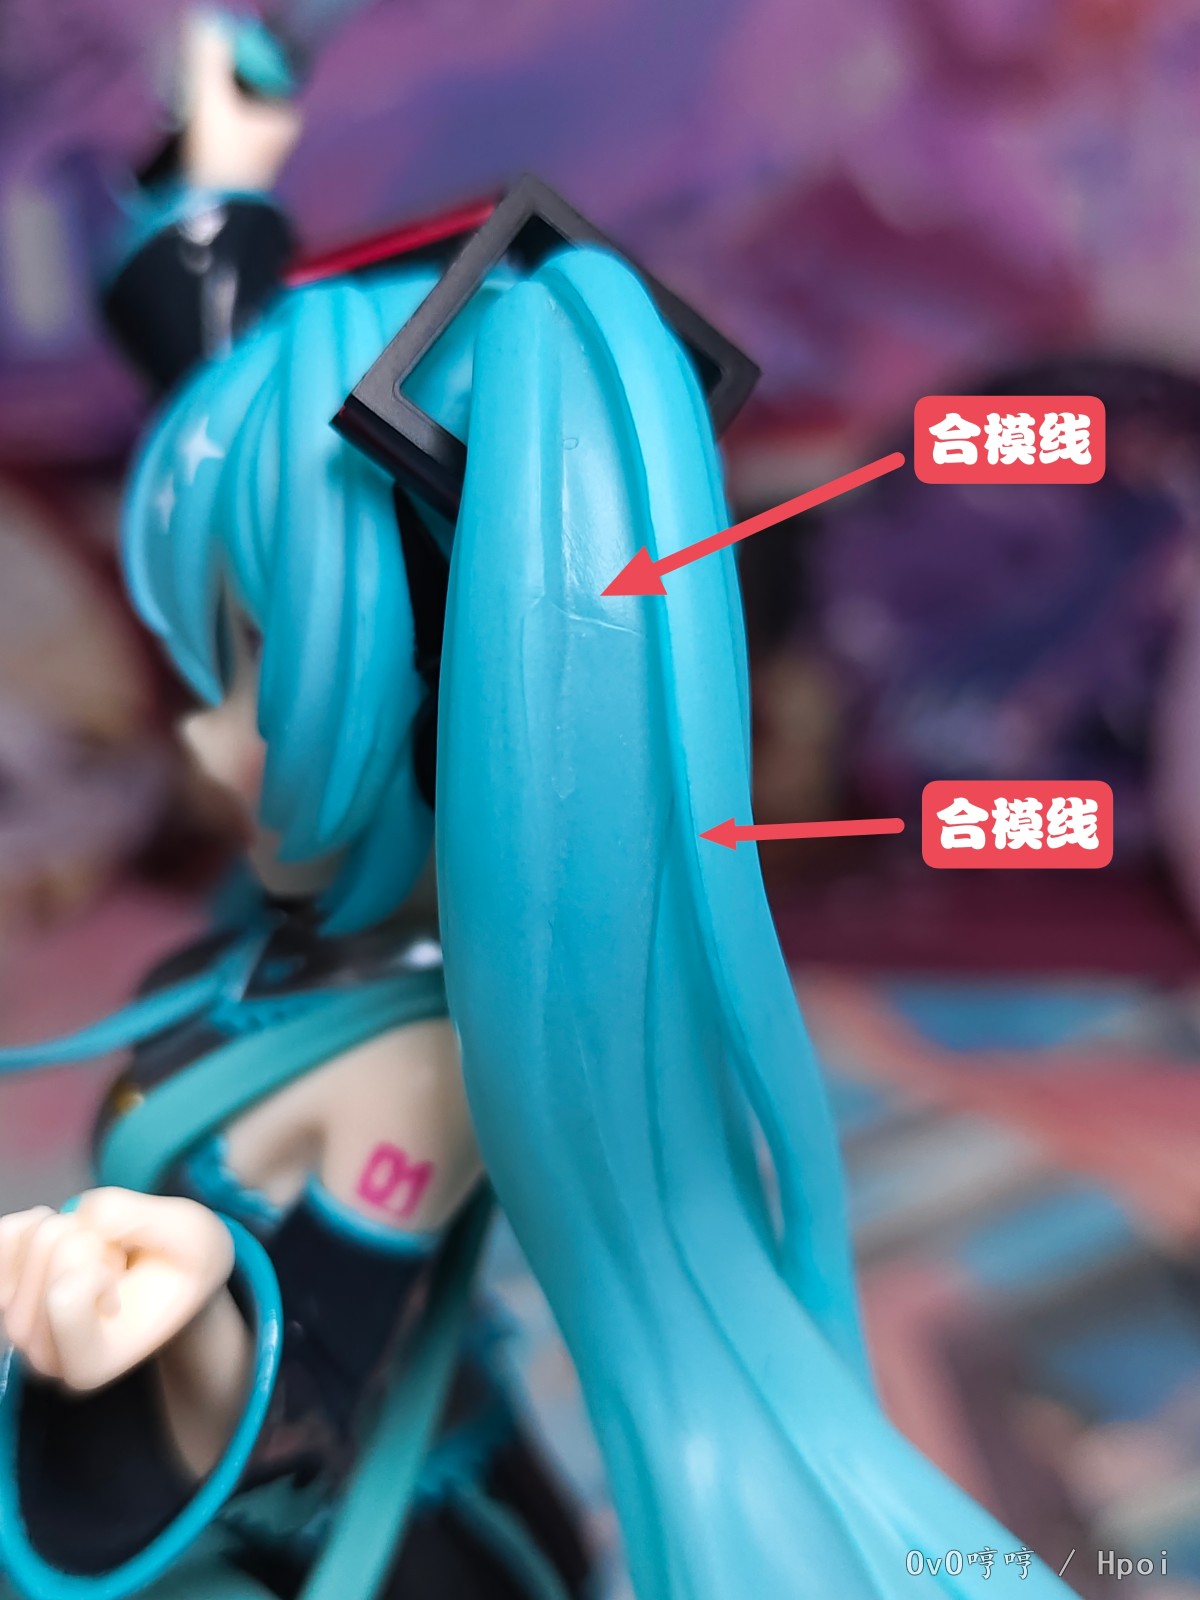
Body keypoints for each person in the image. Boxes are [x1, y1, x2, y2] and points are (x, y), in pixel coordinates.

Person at [0, 12, 1079, 1599]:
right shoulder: (331, 904)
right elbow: (294, 454)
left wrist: (181, 1348)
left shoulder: (411, 1068)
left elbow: (328, 1374)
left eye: (256, 682)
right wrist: (212, 197)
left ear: (432, 728)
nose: (208, 744)